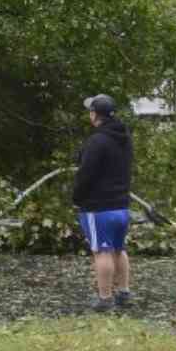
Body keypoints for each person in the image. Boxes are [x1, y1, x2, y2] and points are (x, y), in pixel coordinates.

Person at [74, 94, 133, 313]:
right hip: (121, 205)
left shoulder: (97, 141)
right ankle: (124, 292)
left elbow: (85, 174)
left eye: (90, 110)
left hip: (98, 208)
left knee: (102, 252)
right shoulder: (124, 137)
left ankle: (105, 298)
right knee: (119, 249)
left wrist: (77, 198)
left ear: (95, 115)